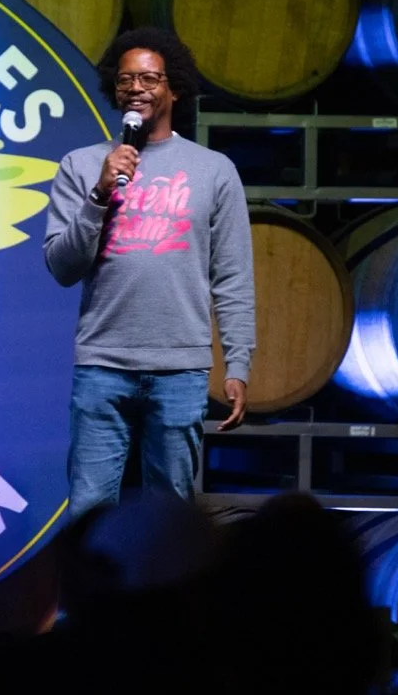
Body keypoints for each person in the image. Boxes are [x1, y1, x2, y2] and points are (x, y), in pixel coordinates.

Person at [43, 26, 255, 521]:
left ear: (174, 87)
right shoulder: (81, 165)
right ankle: (87, 601)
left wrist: (239, 363)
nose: (135, 89)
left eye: (149, 78)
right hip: (102, 362)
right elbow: (61, 266)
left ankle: (169, 603)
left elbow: (233, 276)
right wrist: (99, 195)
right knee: (90, 510)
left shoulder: (213, 169)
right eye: (125, 80)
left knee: (171, 515)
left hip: (180, 367)